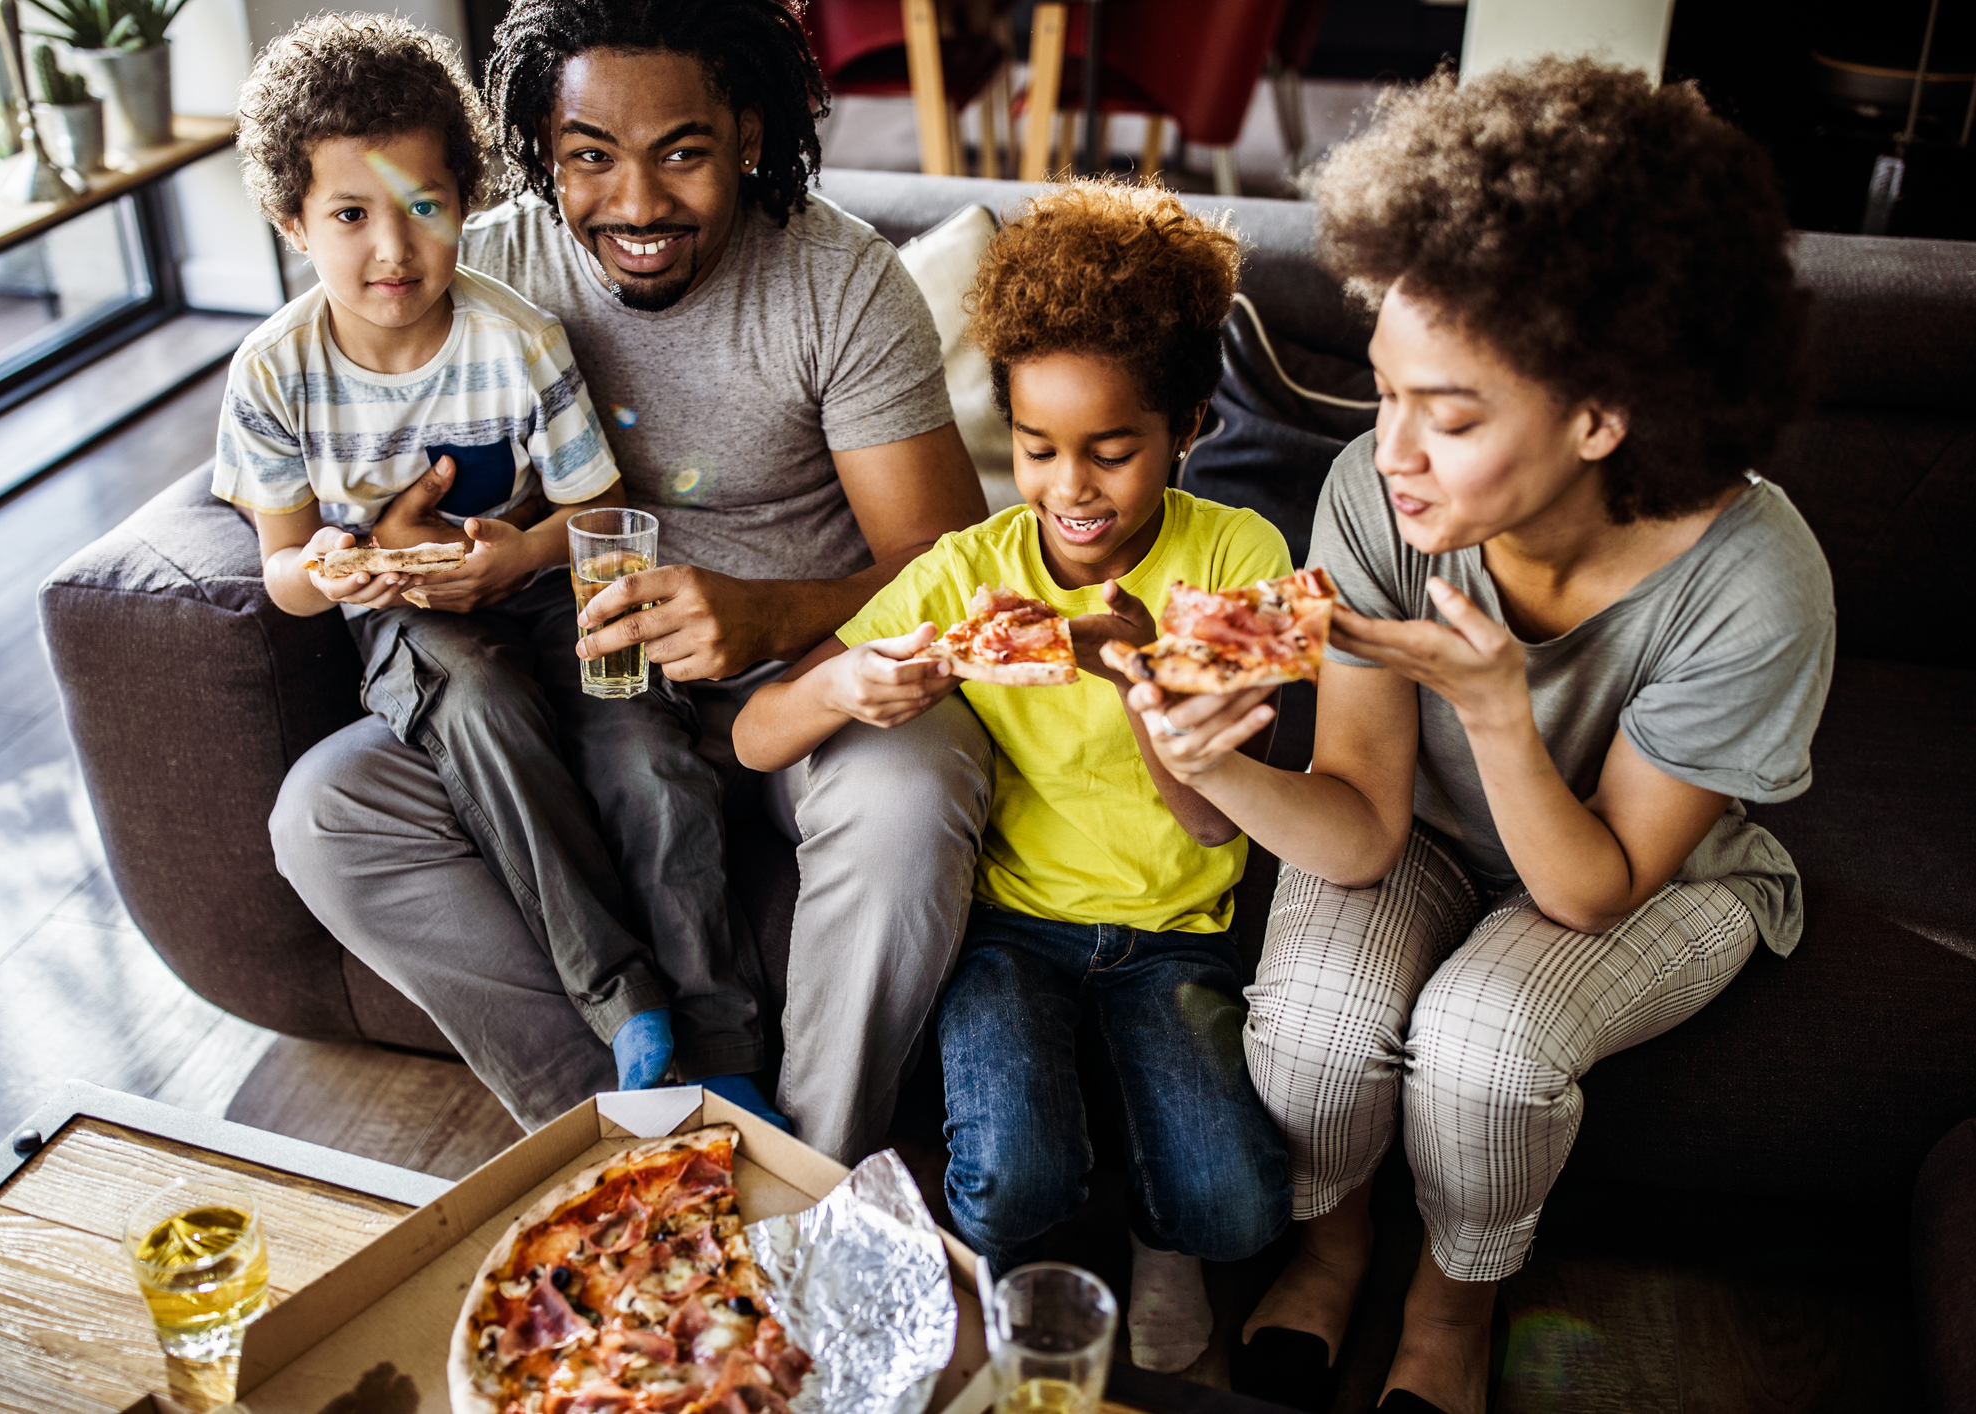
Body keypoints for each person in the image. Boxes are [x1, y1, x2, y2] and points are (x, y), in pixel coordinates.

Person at [1123, 60, 1830, 1414]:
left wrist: (1501, 702)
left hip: (1647, 873)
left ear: (1598, 417)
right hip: (1433, 833)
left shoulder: (1755, 578)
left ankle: (1455, 1293)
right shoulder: (1374, 499)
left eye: (1445, 418)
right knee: (1312, 1032)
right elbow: (1362, 826)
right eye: (1383, 392)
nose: (1391, 453)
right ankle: (1337, 1248)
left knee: (1484, 1044)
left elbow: (1594, 884)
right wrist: (1206, 758)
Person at [267, 0, 992, 1157]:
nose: (637, 205)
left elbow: (954, 559)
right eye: (590, 158)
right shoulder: (478, 265)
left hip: (808, 682)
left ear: (749, 134)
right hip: (575, 688)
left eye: (683, 153)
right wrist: (408, 540)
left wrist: (772, 610)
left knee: (914, 795)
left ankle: (804, 1167)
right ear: (541, 150)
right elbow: (336, 434)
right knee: (327, 812)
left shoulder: (838, 282)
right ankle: (630, 1143)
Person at [734, 182, 1292, 1373]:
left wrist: (1142, 677)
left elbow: (1203, 819)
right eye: (1037, 450)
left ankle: (1165, 1241)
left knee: (1239, 1209)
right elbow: (757, 736)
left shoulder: (1238, 556)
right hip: (1012, 930)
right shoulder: (970, 566)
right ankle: (995, 1284)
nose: (1071, 489)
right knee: (1007, 1182)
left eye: (1111, 450)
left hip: (1174, 931)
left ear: (1188, 424)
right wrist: (851, 687)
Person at [219, 14, 775, 1109]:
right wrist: (335, 563)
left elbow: (600, 516)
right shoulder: (275, 374)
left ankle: (732, 1053)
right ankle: (629, 1005)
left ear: (466, 202)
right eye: (350, 215)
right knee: (477, 701)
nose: (393, 249)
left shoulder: (516, 341)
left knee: (646, 755)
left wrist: (519, 549)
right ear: (294, 224)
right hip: (409, 626)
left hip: (546, 589)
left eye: (423, 207)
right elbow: (280, 572)